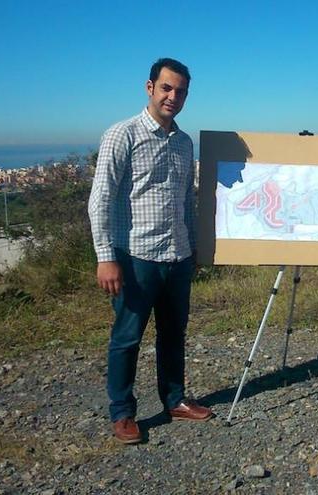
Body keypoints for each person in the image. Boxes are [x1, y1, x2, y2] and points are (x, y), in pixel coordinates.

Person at [88, 57, 212, 444]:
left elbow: (186, 203)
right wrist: (105, 257)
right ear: (149, 87)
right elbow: (100, 200)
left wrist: (192, 247)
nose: (173, 97)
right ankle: (122, 412)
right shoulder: (121, 135)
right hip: (135, 256)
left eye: (181, 92)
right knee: (127, 336)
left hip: (176, 257)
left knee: (174, 333)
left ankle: (174, 399)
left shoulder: (184, 142)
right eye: (167, 88)